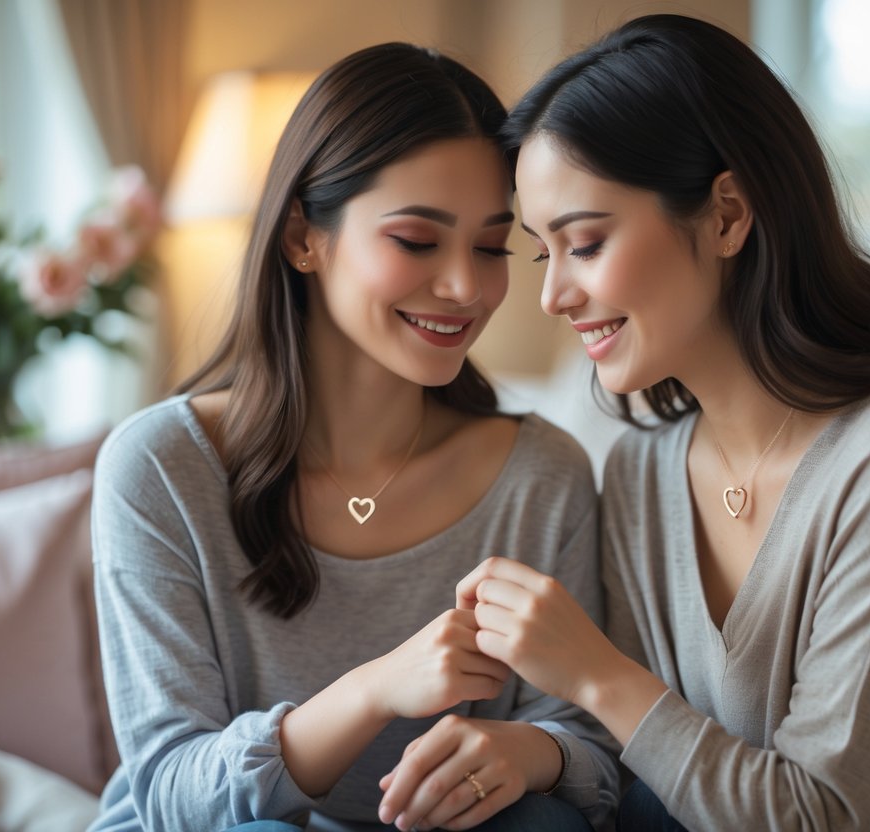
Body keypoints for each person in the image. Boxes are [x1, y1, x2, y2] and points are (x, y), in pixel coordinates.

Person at [432, 14, 870, 832]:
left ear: (728, 214)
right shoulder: (641, 471)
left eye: (586, 243)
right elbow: (660, 759)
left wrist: (594, 673)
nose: (552, 294)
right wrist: (536, 749)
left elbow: (817, 816)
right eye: (540, 252)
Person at [87, 42, 618, 832]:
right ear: (304, 236)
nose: (467, 288)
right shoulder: (160, 467)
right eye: (415, 240)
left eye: (489, 246)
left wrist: (529, 751)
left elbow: (586, 745)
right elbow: (170, 792)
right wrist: (373, 690)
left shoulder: (541, 476)